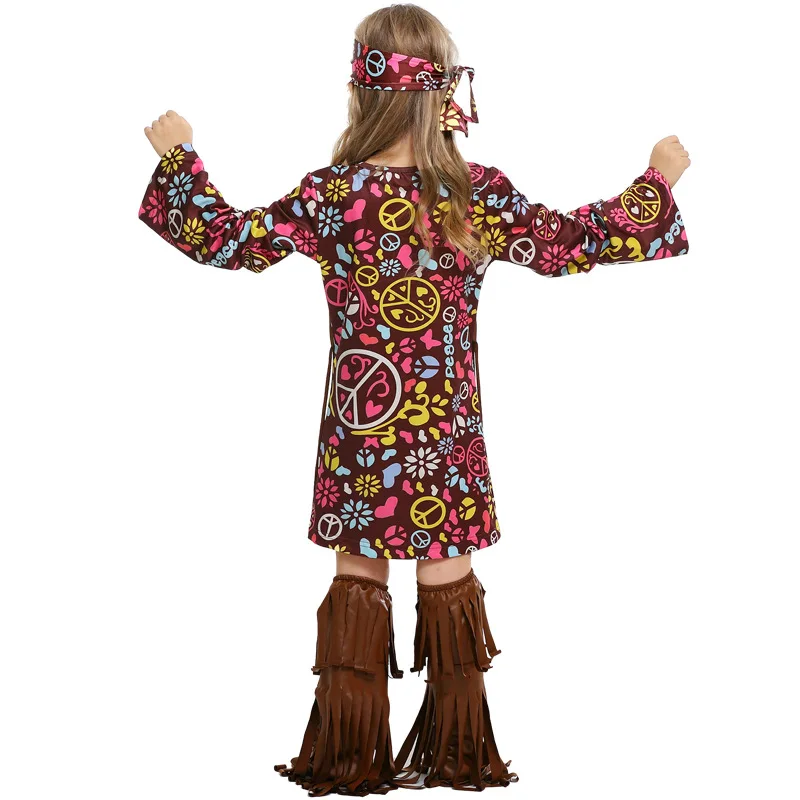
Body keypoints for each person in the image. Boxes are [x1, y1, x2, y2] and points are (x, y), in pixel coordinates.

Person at [138, 4, 691, 795]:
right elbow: (572, 243)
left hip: (360, 435)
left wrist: (179, 157)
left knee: (358, 584)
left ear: (360, 91)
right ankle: (460, 755)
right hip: (446, 444)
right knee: (447, 582)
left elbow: (226, 240)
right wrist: (657, 181)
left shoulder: (333, 196)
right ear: (444, 93)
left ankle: (348, 760)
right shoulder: (475, 195)